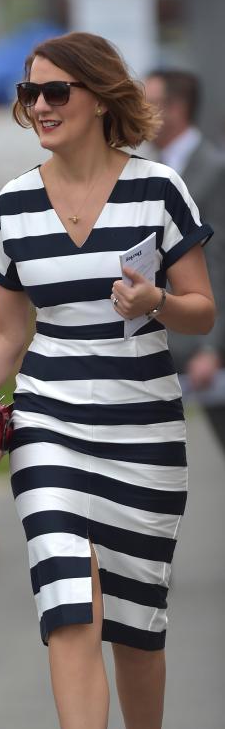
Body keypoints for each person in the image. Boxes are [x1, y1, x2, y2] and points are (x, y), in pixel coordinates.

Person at [0, 32, 214, 729]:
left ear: (99, 96)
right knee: (68, 604)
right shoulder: (14, 204)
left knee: (136, 624)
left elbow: (203, 309)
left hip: (143, 427)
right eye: (31, 96)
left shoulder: (157, 189)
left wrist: (156, 301)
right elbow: (3, 328)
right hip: (50, 420)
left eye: (58, 91)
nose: (42, 107)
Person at [144, 69, 225, 455]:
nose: (140, 111)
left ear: (175, 108)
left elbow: (219, 262)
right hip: (173, 335)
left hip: (204, 339)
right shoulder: (156, 168)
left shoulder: (212, 169)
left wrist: (212, 348)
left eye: (149, 101)